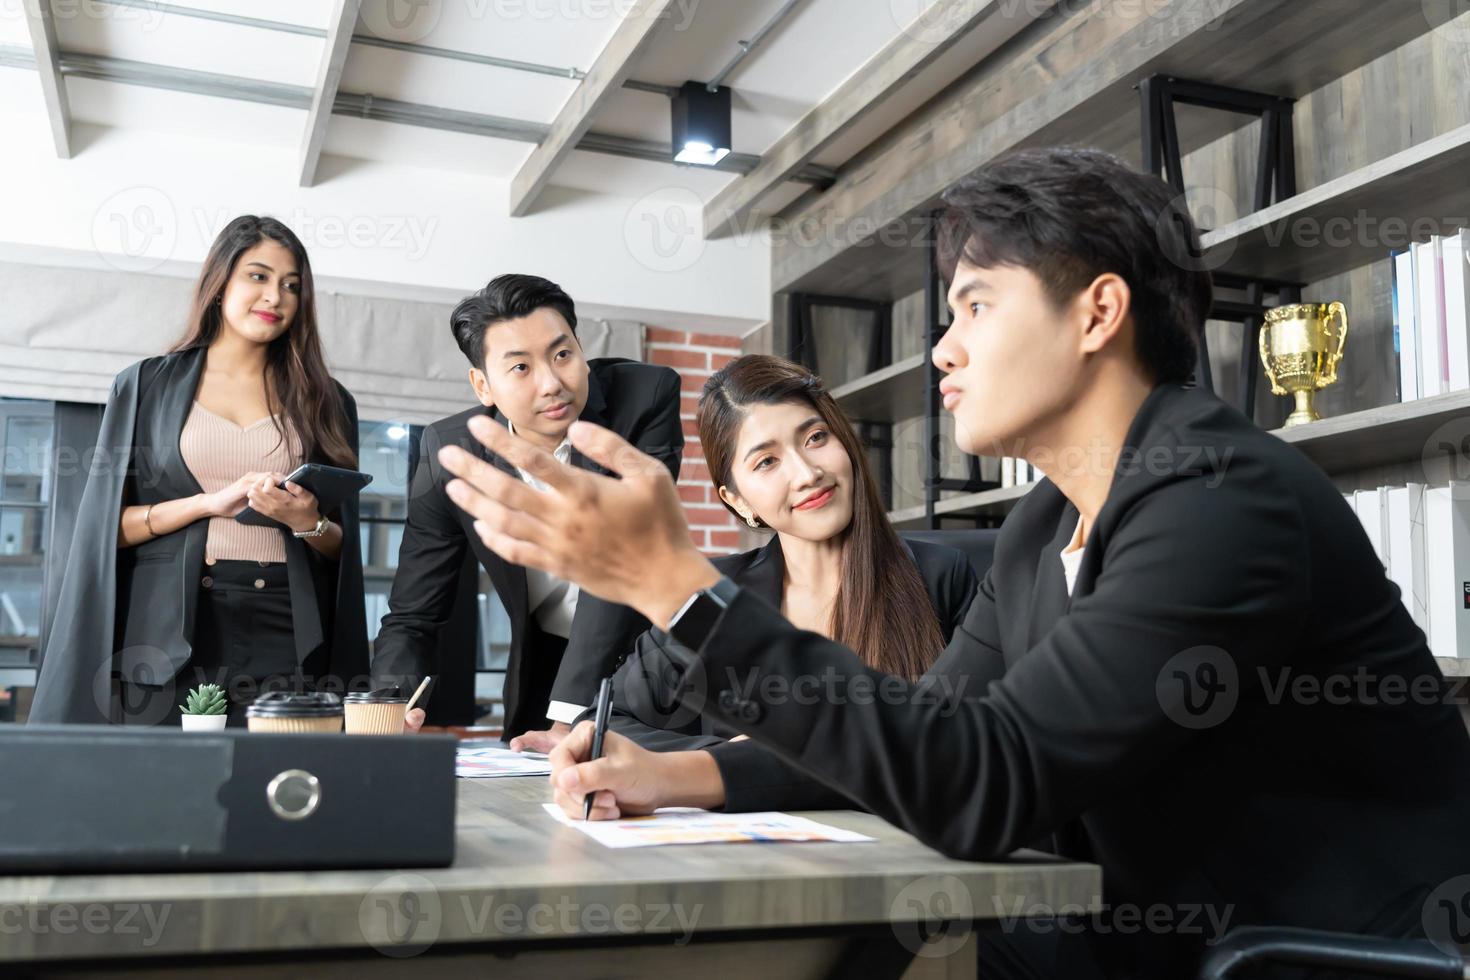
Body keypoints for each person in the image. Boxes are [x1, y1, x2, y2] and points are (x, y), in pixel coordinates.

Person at [434, 147, 1470, 979]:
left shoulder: (1219, 498)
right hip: (1137, 935)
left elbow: (989, 777)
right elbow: (928, 728)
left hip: (1300, 950)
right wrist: (679, 774)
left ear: (1097, 312)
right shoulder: (1041, 526)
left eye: (975, 304)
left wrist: (675, 586)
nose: (942, 348)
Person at [566, 354, 977, 815]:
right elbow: (606, 722)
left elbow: (958, 744)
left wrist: (752, 758)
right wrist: (729, 757)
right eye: (766, 462)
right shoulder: (713, 591)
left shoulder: (942, 576)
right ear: (738, 501)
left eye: (816, 437)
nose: (806, 474)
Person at [32, 215, 367, 726]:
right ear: (220, 284)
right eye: (258, 276)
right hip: (165, 629)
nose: (275, 296)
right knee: (163, 793)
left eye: (291, 285)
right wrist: (207, 504)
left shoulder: (327, 401)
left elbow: (344, 551)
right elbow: (105, 531)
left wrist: (306, 523)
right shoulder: (145, 385)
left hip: (286, 621)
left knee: (276, 790)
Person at [370, 274, 682, 742]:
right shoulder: (451, 451)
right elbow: (414, 611)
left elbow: (622, 550)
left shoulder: (642, 399)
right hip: (548, 663)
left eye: (562, 354)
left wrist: (570, 715)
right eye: (520, 368)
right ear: (482, 385)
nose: (552, 383)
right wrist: (394, 704)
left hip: (653, 657)